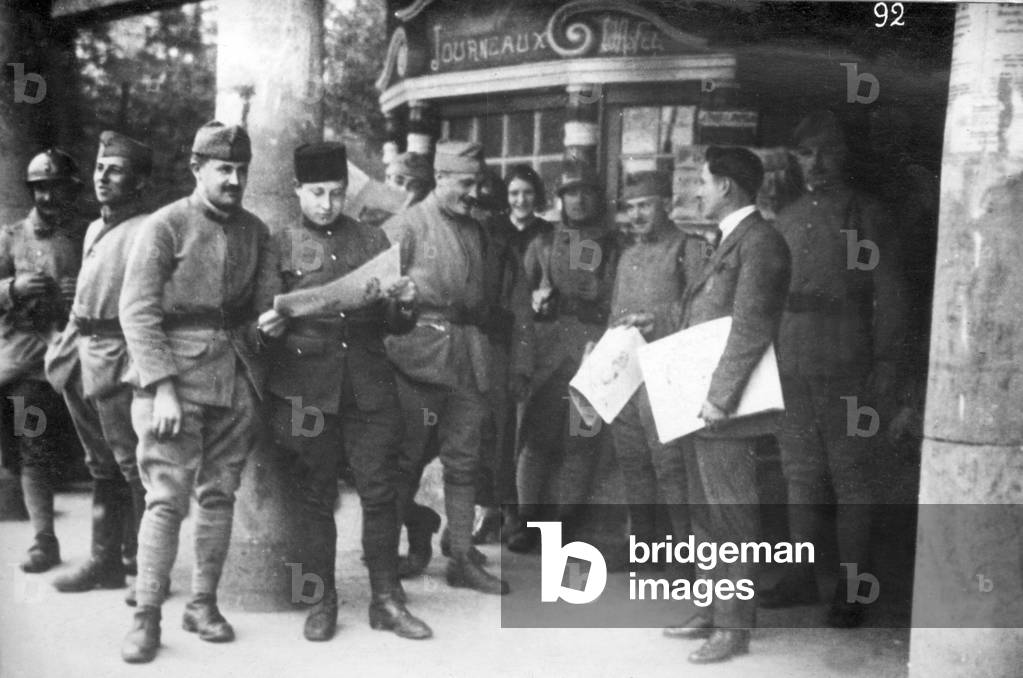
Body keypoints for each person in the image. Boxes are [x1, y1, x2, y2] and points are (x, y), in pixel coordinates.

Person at [118, 121, 278, 663]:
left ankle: (202, 604)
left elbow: (261, 309)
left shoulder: (256, 233)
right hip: (174, 382)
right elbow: (136, 311)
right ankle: (146, 615)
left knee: (219, 495)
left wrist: (269, 325)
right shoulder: (165, 226)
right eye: (223, 169)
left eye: (240, 170)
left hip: (235, 379)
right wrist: (160, 387)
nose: (234, 179)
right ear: (197, 168)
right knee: (165, 498)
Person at [262, 141, 431, 641]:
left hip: (367, 382)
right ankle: (322, 601)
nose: (327, 204)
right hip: (303, 387)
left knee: (380, 490)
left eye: (336, 193)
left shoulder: (373, 240)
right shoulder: (280, 244)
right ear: (297, 192)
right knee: (316, 495)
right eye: (316, 193)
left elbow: (397, 325)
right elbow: (258, 320)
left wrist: (404, 303)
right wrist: (267, 327)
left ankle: (386, 600)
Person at [765, 111, 908, 627]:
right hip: (791, 362)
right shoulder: (784, 217)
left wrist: (888, 360)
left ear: (844, 153)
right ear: (794, 158)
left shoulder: (866, 214)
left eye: (827, 150)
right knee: (798, 475)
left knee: (851, 478)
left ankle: (851, 589)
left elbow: (890, 291)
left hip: (847, 357)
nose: (817, 162)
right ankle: (801, 577)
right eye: (806, 153)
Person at [662, 146, 790, 663]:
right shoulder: (733, 240)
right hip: (703, 400)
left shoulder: (760, 243)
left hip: (727, 407)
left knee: (732, 518)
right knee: (706, 515)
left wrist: (719, 398)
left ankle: (733, 627)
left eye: (704, 182)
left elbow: (751, 327)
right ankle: (714, 609)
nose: (697, 191)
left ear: (728, 189)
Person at [382, 140, 509, 595]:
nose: (474, 192)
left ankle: (460, 556)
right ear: (439, 179)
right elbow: (378, 296)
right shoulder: (406, 226)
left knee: (464, 462)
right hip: (415, 359)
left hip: (467, 358)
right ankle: (386, 562)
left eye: (478, 183)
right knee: (405, 462)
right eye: (465, 183)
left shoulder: (475, 230)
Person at [46, 132, 152, 602]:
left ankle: (147, 568)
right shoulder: (93, 229)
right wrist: (61, 349)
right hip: (80, 353)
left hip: (117, 356)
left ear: (140, 181)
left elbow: (147, 308)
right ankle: (105, 562)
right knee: (100, 465)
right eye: (99, 168)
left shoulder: (148, 229)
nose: (103, 177)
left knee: (134, 466)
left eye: (117, 169)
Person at [507, 162, 620, 553]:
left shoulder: (614, 244)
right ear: (561, 199)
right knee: (536, 440)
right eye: (571, 192)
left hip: (594, 349)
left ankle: (565, 523)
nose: (579, 199)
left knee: (581, 441)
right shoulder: (544, 242)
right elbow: (520, 299)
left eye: (587, 191)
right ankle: (525, 522)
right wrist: (537, 301)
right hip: (550, 351)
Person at [0, 148, 85, 574]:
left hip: (75, 361)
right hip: (28, 364)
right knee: (31, 450)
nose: (49, 197)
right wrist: (13, 288)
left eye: (57, 189)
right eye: (41, 189)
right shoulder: (11, 237)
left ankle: (118, 549)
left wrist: (78, 295)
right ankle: (43, 540)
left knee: (93, 454)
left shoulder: (86, 237)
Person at [607, 170, 690, 551]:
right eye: (631, 207)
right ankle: (644, 548)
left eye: (646, 206)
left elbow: (702, 311)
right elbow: (615, 314)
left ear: (667, 205)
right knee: (632, 462)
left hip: (669, 370)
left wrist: (659, 320)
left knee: (671, 467)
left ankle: (683, 556)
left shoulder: (688, 249)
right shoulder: (628, 256)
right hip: (628, 372)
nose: (637, 215)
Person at [470, 166, 548, 544]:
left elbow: (521, 313)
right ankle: (469, 516)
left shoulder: (504, 251)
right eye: (477, 207)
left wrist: (520, 367)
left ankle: (501, 513)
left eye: (490, 208)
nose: (484, 215)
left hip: (496, 357)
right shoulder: (455, 245)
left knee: (502, 442)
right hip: (455, 356)